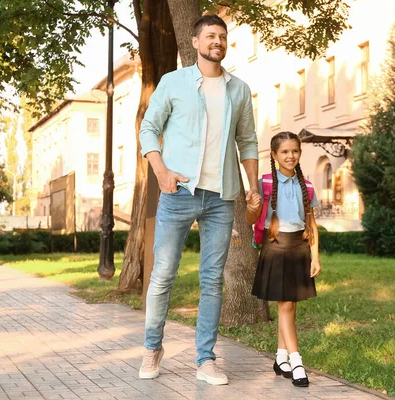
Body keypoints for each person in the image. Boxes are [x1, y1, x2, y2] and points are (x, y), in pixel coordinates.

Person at [138, 14, 259, 386]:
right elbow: (149, 128)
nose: (217, 42)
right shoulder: (173, 82)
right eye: (210, 36)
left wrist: (253, 186)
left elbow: (249, 141)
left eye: (222, 36)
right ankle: (152, 347)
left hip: (222, 197)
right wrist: (161, 171)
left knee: (212, 280)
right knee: (163, 275)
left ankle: (206, 359)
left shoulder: (239, 89)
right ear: (195, 42)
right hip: (178, 193)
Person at [246, 131, 321, 387]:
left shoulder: (307, 186)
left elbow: (312, 224)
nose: (290, 156)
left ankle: (280, 357)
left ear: (300, 153)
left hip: (300, 248)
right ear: (275, 155)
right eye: (285, 152)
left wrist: (316, 257)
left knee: (290, 305)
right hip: (276, 246)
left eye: (295, 151)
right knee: (285, 304)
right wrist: (252, 207)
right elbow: (250, 219)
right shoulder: (264, 182)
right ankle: (297, 361)